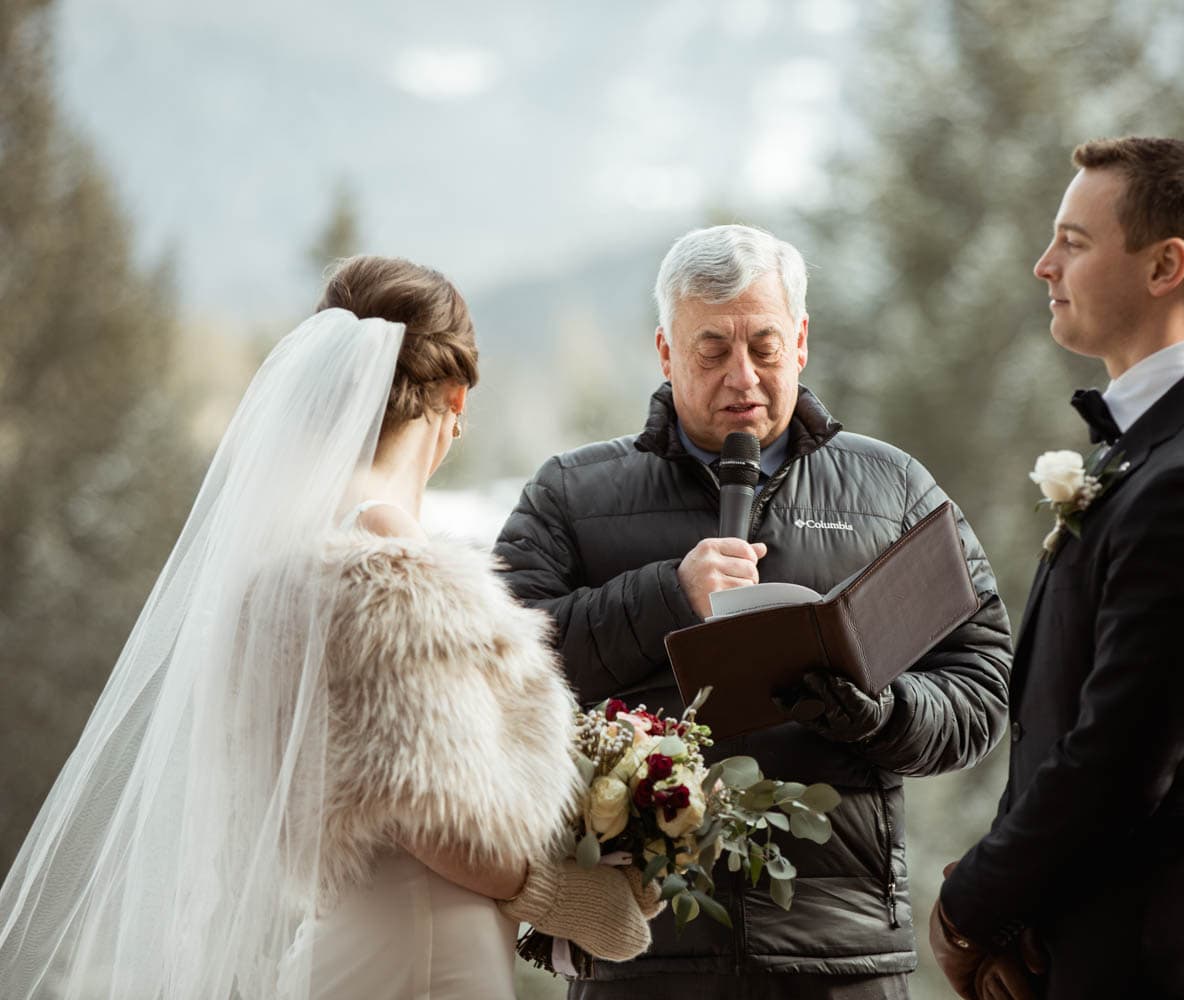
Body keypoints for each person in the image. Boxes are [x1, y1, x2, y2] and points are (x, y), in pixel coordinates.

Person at [0, 255, 654, 1000]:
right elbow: (426, 818)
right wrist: (569, 897)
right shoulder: (390, 562)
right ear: (455, 397)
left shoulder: (286, 551)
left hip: (365, 931)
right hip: (427, 946)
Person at [493, 224, 1014, 1000]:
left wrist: (880, 713)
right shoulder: (572, 493)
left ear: (800, 341)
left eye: (764, 347)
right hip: (639, 952)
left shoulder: (894, 490)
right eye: (712, 350)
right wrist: (667, 594)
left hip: (840, 952)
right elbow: (498, 674)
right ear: (666, 353)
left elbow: (984, 684)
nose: (744, 377)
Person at [930, 138, 1184, 1000]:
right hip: (1100, 944)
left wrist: (971, 907)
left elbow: (1119, 758)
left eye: (1075, 242)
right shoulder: (1162, 449)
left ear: (1166, 266)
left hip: (1162, 959)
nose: (1042, 264)